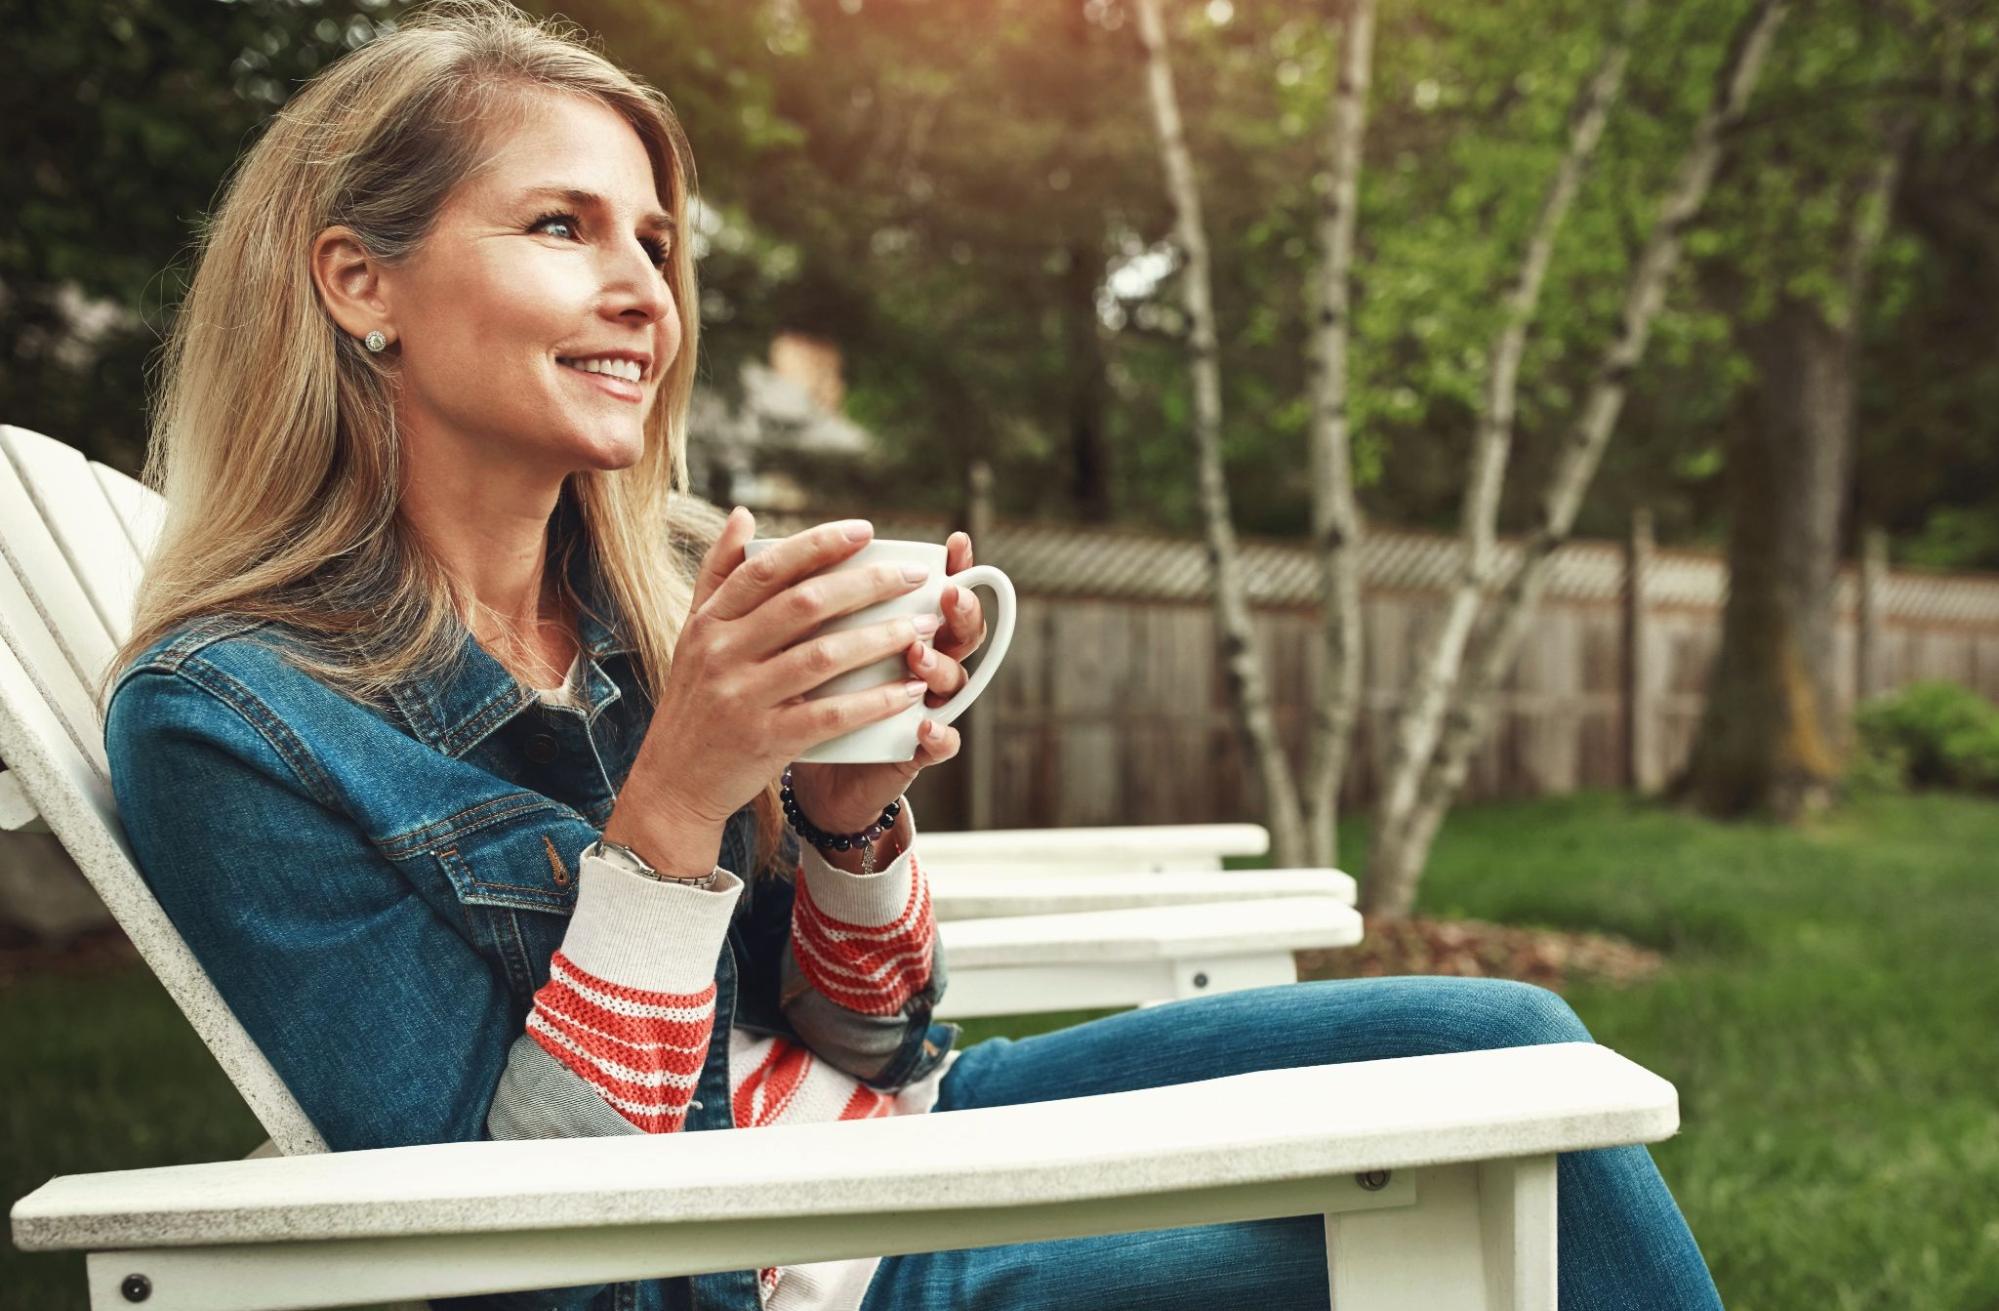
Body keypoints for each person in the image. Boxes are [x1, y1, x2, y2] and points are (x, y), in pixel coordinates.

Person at [99, 3, 1725, 1308]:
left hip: (904, 1133)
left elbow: (877, 1039)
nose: (641, 293)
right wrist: (672, 815)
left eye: (656, 244)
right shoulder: (235, 724)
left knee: (1512, 1039)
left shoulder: (648, 603)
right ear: (357, 281)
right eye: (562, 226)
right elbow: (542, 1262)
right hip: (798, 1255)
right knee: (1534, 1197)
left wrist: (846, 812)